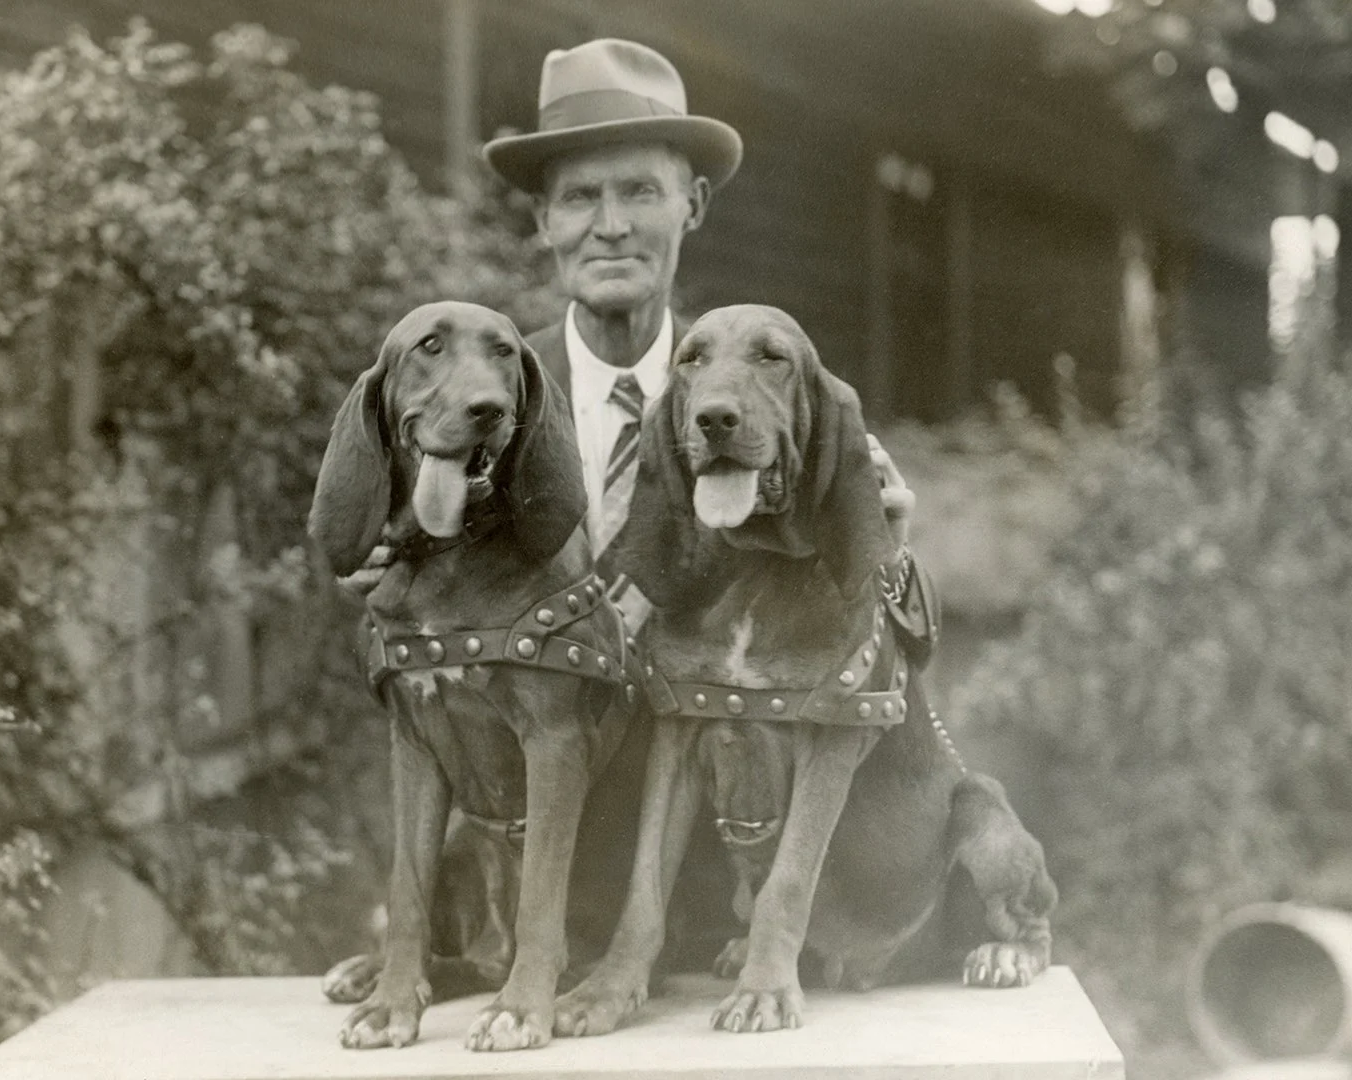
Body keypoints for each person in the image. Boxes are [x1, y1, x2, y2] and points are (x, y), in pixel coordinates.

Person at [334, 36, 922, 983]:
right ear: (543, 220)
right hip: (531, 878)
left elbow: (859, 637)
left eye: (640, 193)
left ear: (691, 205)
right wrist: (383, 562)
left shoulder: (762, 387)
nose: (610, 225)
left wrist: (894, 555)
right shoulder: (479, 393)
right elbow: (416, 649)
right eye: (579, 197)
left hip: (694, 886)